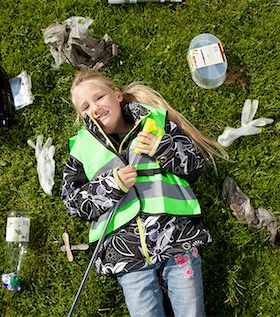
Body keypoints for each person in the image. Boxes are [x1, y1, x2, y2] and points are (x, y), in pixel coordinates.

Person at [61, 69, 227, 317]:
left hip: (177, 237)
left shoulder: (156, 123)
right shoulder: (81, 148)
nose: (94, 108)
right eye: (85, 107)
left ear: (117, 95)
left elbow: (195, 165)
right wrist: (110, 186)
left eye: (99, 97)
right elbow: (73, 203)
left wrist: (163, 148)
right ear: (81, 116)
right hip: (125, 254)